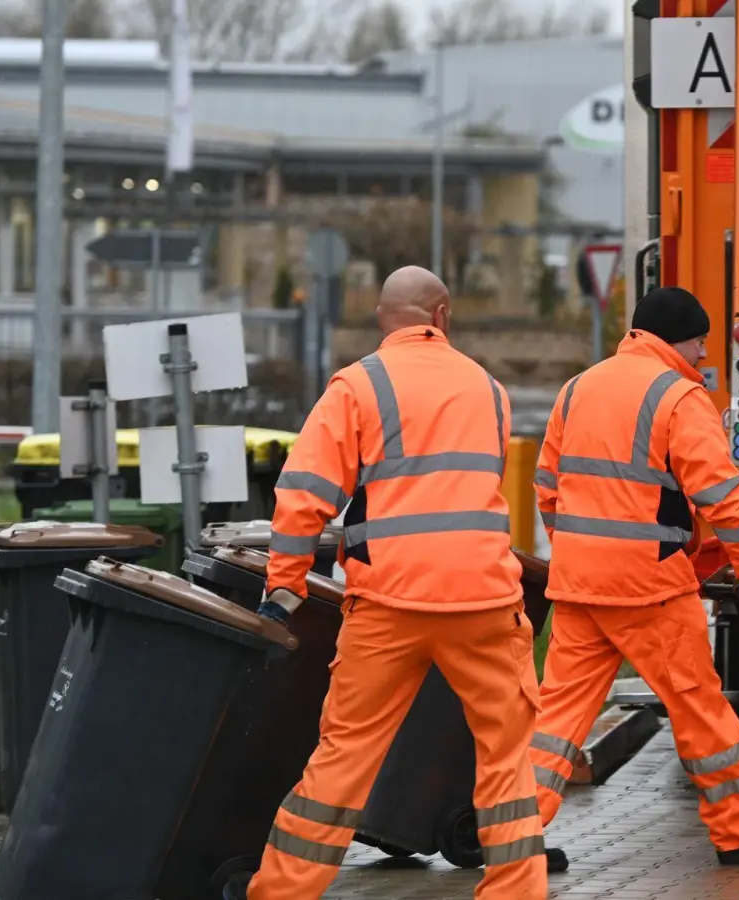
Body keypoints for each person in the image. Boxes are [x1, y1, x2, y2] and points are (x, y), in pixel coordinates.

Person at [231, 266, 550, 900]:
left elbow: (303, 495)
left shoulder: (357, 385)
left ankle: (283, 891)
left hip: (388, 603)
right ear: (443, 315)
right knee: (505, 757)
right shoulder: (488, 390)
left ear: (383, 319)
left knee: (345, 756)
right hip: (483, 601)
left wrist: (285, 587)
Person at [527, 286, 739, 866]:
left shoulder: (577, 388)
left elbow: (547, 488)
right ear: (677, 339)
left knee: (556, 716)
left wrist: (581, 551)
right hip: (648, 588)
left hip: (578, 586)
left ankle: (512, 834)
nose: (703, 353)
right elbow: (721, 496)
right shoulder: (678, 396)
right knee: (697, 705)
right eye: (700, 341)